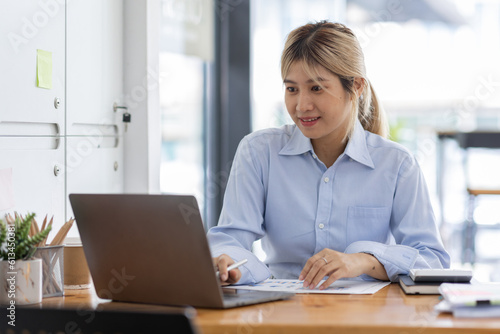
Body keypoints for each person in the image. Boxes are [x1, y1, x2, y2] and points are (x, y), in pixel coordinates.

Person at [207, 20, 450, 290]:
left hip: (367, 318)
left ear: (356, 87)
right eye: (291, 89)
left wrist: (363, 261)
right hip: (281, 312)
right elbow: (231, 239)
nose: (301, 105)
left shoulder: (397, 165)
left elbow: (433, 260)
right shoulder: (259, 152)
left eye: (316, 88)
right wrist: (228, 263)